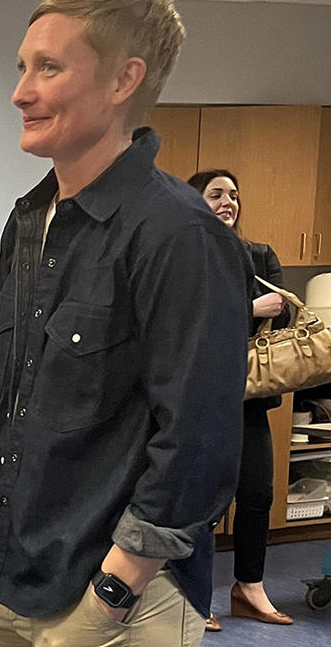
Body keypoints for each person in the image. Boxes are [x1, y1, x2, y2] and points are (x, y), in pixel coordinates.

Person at [0, 0, 251, 647]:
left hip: (116, 601)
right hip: (10, 575)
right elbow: (24, 405)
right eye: (23, 67)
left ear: (124, 81)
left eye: (49, 68)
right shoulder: (29, 221)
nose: (20, 91)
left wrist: (114, 593)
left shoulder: (181, 236)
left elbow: (197, 444)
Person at [187, 169, 294, 631]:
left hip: (250, 397)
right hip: (199, 397)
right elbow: (186, 321)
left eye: (234, 194)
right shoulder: (184, 256)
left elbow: (286, 313)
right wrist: (248, 310)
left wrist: (275, 308)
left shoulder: (259, 256)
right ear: (195, 203)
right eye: (216, 194)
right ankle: (195, 596)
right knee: (203, 501)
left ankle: (249, 588)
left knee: (256, 494)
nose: (228, 201)